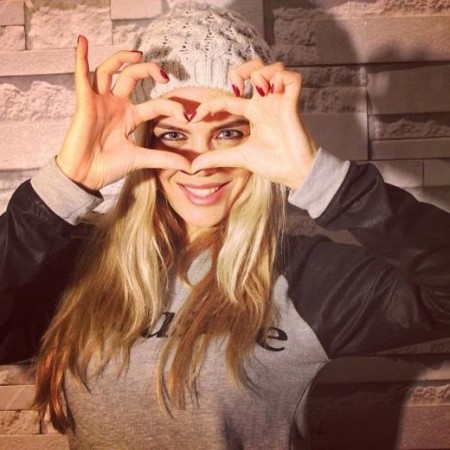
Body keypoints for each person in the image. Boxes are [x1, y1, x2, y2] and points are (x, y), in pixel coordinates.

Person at [1, 3, 450, 449]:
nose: (201, 164)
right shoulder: (79, 260)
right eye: (173, 135)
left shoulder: (307, 277)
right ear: (143, 139)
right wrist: (64, 184)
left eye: (228, 132)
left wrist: (317, 177)